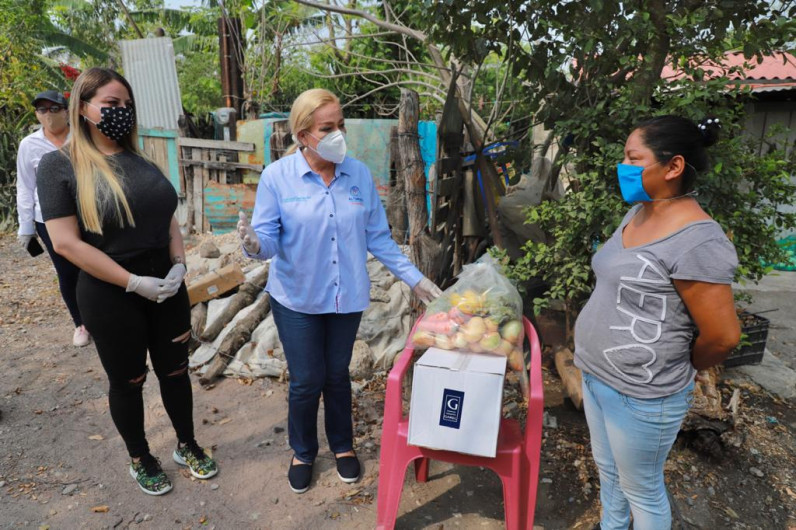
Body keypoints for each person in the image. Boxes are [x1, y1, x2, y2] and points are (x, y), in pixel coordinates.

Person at [237, 88, 442, 494]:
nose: (338, 135)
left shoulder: (359, 175)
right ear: (302, 134)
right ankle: (303, 451)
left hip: (344, 297)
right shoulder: (278, 177)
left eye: (341, 125)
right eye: (327, 128)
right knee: (306, 379)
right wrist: (255, 244)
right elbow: (268, 240)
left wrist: (416, 281)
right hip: (297, 298)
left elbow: (379, 239)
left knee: (336, 375)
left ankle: (343, 446)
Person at [36, 68, 218, 496]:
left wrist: (178, 263)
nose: (122, 113)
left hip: (166, 284)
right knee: (129, 380)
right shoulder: (58, 166)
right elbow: (64, 243)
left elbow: (167, 216)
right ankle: (140, 456)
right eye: (111, 105)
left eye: (126, 105)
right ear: (83, 107)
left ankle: (187, 444)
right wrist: (133, 282)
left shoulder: (140, 159)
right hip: (110, 292)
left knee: (176, 370)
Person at [574, 115, 741, 530]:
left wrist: (683, 365)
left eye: (634, 158)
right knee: (609, 474)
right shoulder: (637, 213)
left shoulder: (699, 240)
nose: (624, 166)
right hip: (597, 379)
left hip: (643, 395)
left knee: (642, 490)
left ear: (673, 167)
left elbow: (722, 336)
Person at [16, 90, 90, 347]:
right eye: (42, 110)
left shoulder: (83, 135)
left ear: (66, 110)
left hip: (88, 213)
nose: (48, 115)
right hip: (49, 219)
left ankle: (102, 316)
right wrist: (26, 227)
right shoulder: (30, 145)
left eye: (54, 108)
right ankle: (80, 323)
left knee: (94, 266)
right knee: (67, 271)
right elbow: (25, 187)